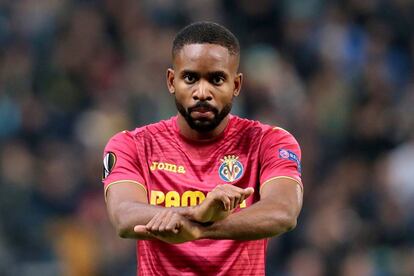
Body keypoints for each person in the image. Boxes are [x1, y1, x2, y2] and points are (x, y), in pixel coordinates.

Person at [102, 21, 303, 276]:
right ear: (171, 81)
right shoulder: (132, 144)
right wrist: (196, 212)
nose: (202, 92)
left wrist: (200, 227)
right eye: (190, 78)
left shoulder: (269, 142)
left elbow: (283, 212)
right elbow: (124, 216)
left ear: (236, 85)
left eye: (217, 79)